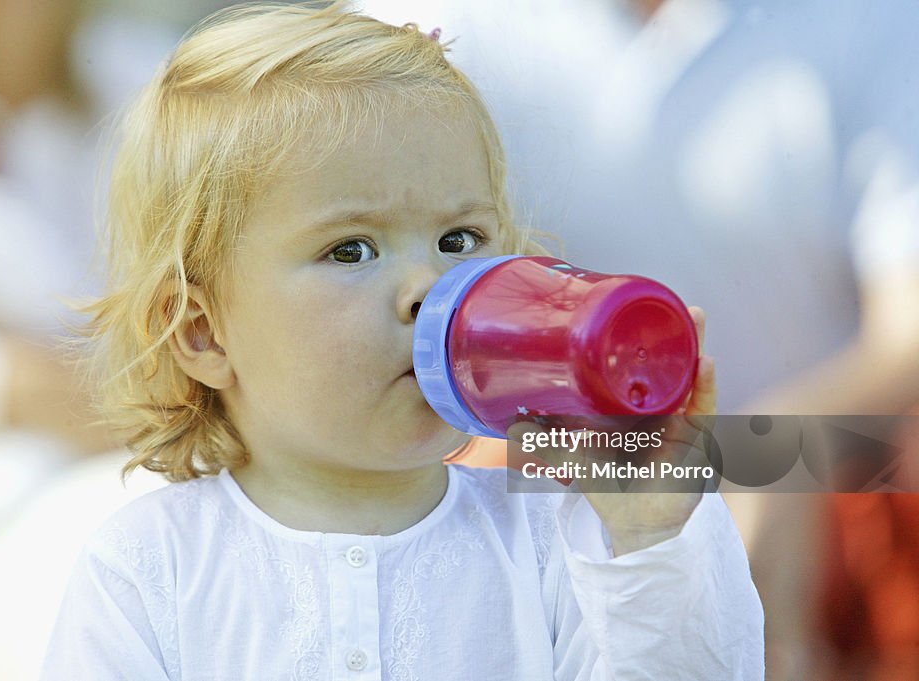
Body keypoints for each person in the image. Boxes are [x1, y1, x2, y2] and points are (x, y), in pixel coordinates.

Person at [40, 4, 763, 678]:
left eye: (459, 239)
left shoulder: (551, 532)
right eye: (352, 250)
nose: (427, 285)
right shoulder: (150, 567)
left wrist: (649, 536)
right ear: (202, 331)